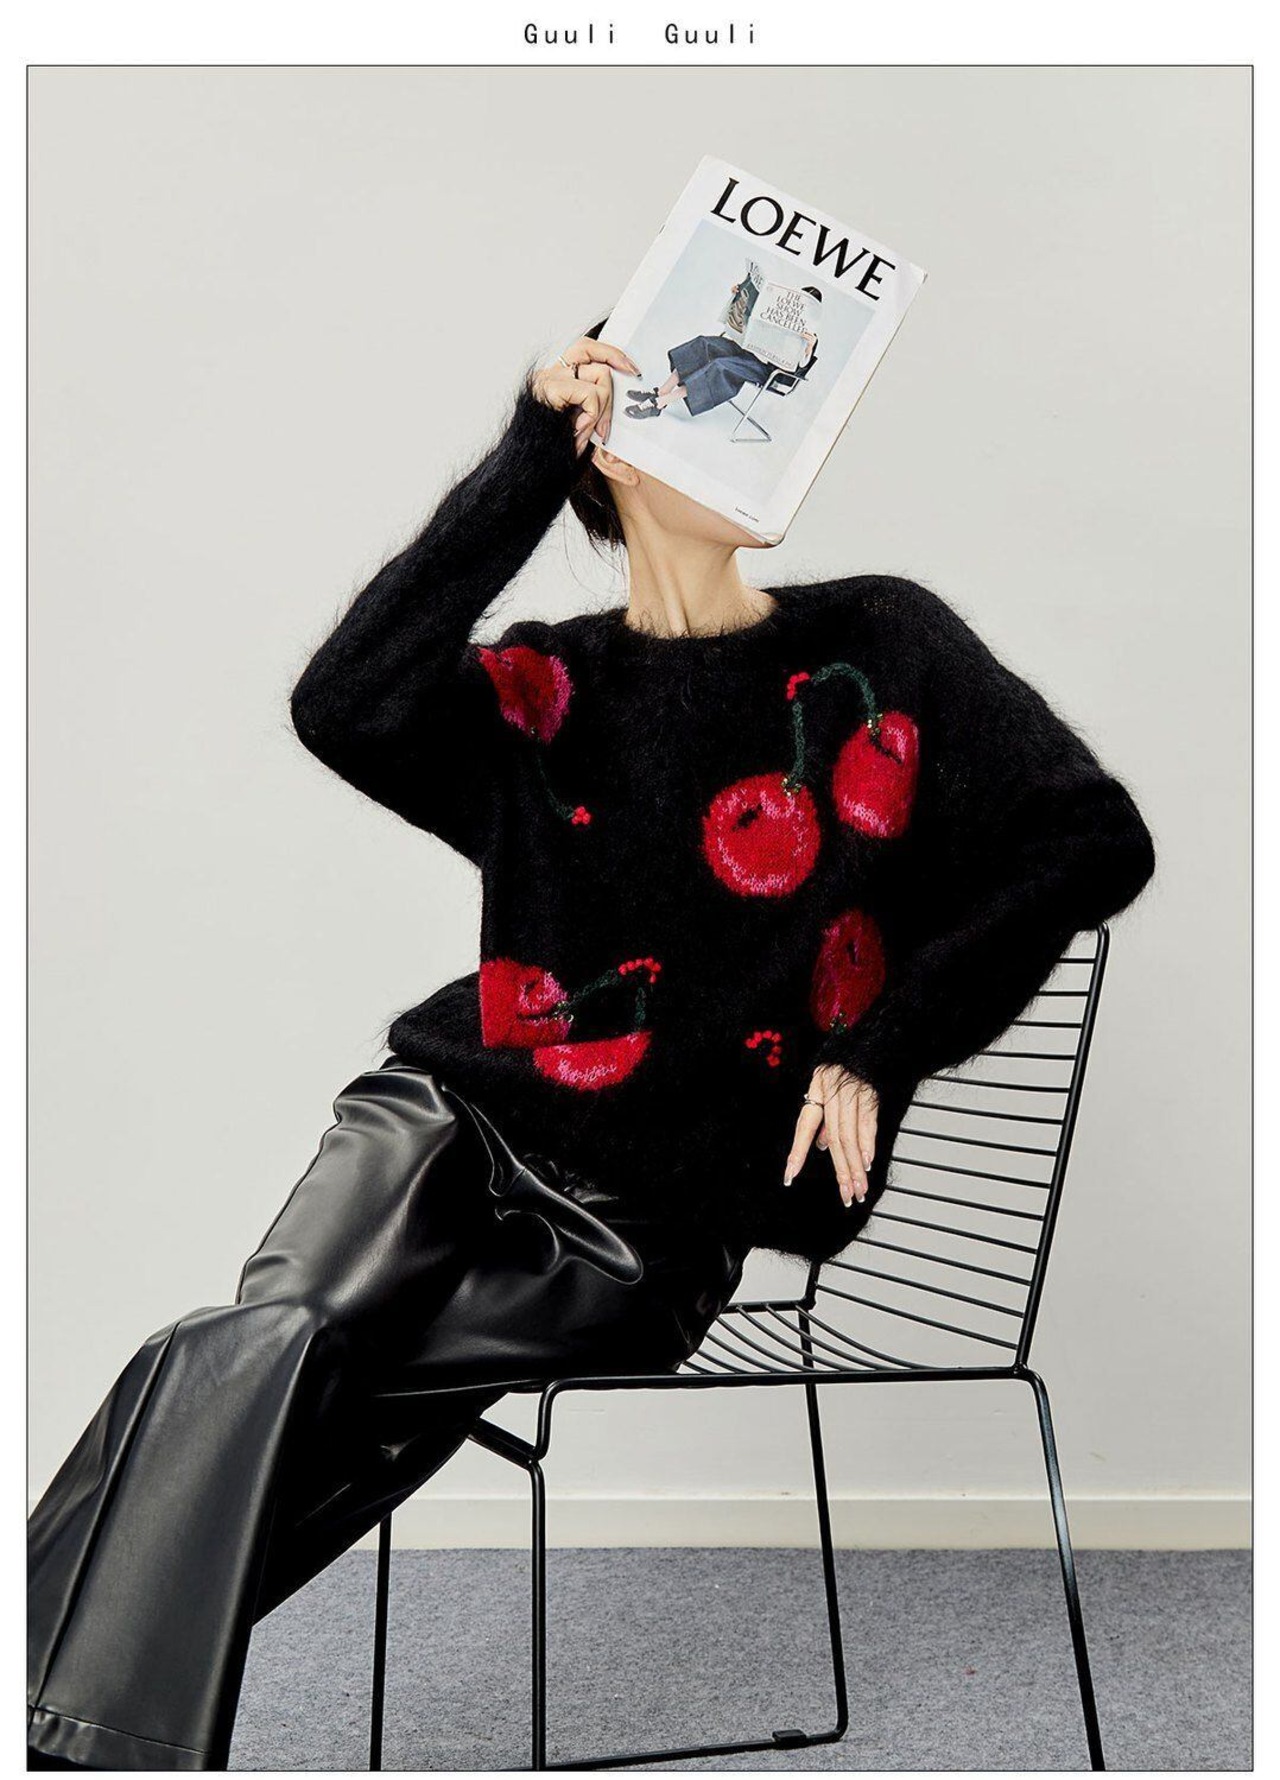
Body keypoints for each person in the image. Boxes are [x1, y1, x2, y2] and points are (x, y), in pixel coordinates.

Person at [27, 328, 1156, 1771]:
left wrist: (881, 1046)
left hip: (656, 1221)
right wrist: (526, 452)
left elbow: (1089, 837)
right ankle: (75, 1742)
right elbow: (343, 705)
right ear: (616, 453)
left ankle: (51, 1716)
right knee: (280, 1339)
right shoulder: (543, 691)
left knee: (321, 1385)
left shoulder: (883, 643)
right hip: (450, 1117)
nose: (768, 446)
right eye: (719, 413)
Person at [626, 282, 821, 421]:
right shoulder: (776, 311)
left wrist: (809, 348)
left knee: (720, 366)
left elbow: (795, 373)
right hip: (747, 351)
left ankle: (659, 403)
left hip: (767, 371)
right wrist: (739, 297)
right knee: (704, 344)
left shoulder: (810, 337)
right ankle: (661, 391)